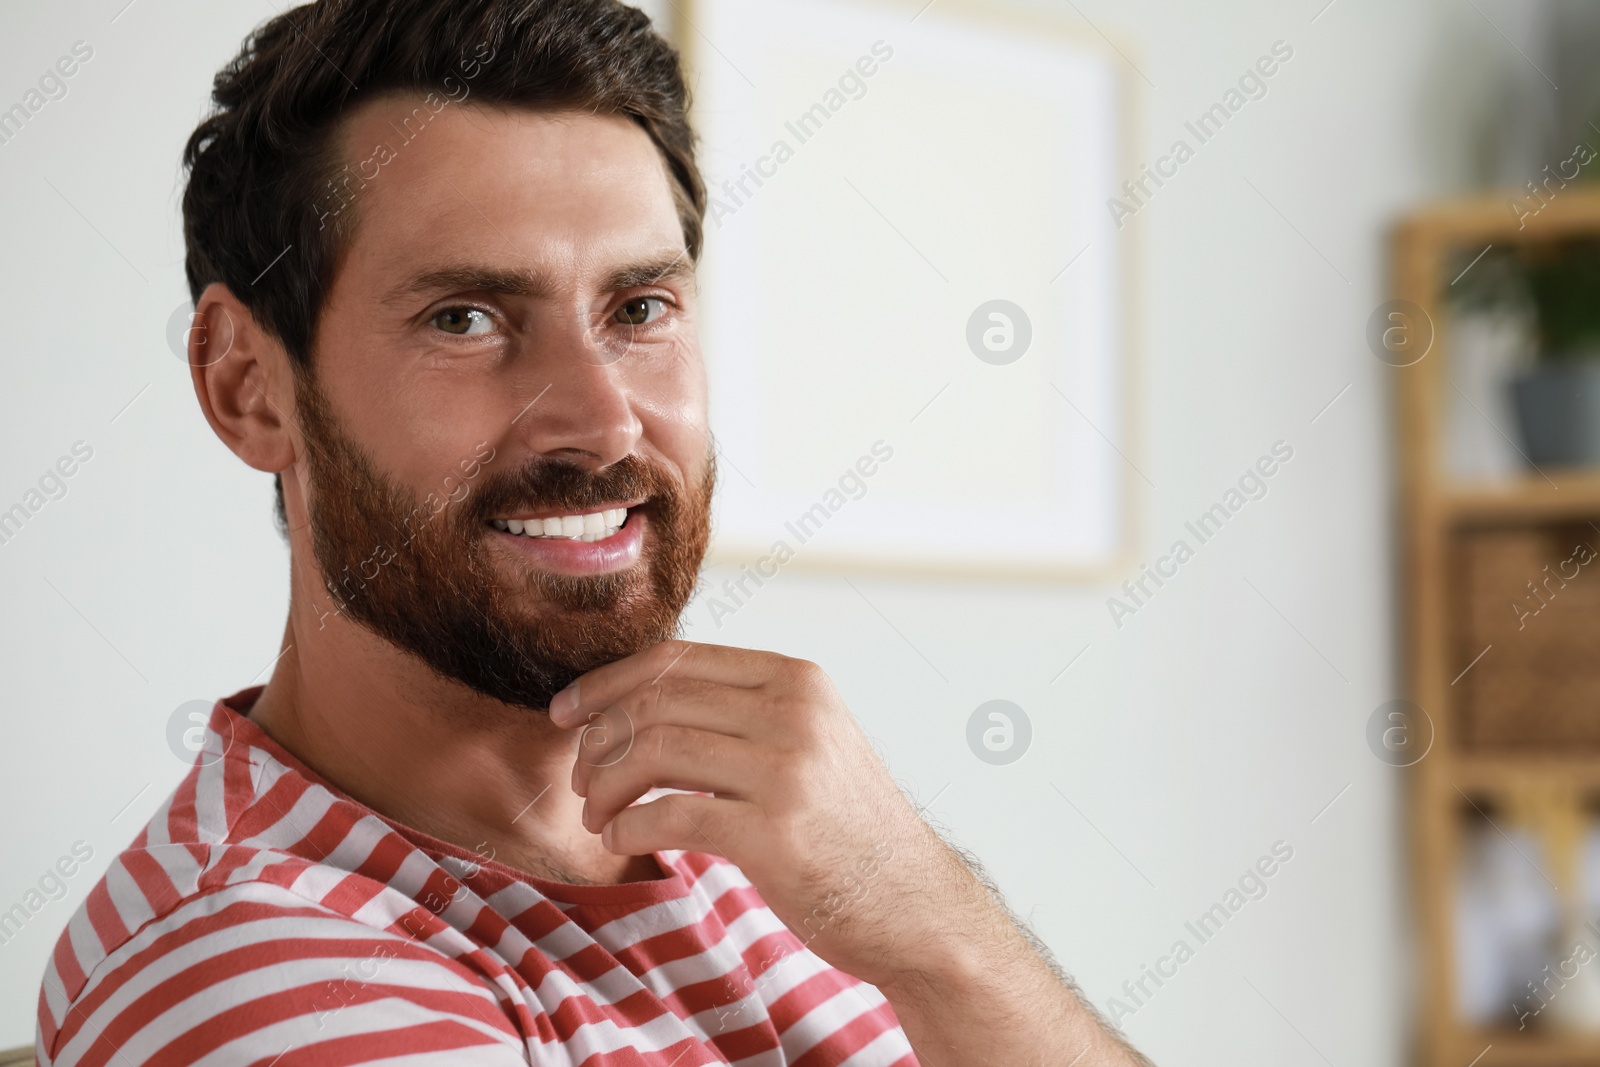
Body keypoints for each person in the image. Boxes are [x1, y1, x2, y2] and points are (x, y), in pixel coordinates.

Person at [36, 2, 1152, 1064]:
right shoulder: (254, 969)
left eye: (639, 309)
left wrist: (932, 921)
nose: (601, 418)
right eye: (465, 319)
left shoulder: (783, 848)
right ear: (248, 386)